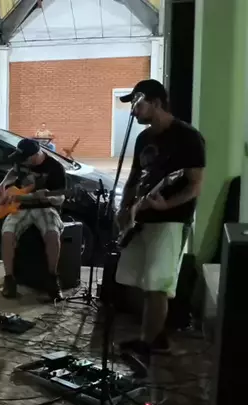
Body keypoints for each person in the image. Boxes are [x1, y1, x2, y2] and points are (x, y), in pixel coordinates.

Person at [114, 79, 205, 374]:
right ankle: (156, 336)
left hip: (171, 220)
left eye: (137, 104)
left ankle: (148, 344)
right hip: (141, 218)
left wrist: (168, 204)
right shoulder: (143, 138)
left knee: (157, 285)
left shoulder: (188, 137)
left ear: (155, 103)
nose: (133, 110)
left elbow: (194, 185)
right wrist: (124, 207)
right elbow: (134, 177)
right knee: (134, 281)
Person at [0, 138, 66, 300]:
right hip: (20, 206)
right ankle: (9, 279)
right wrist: (2, 185)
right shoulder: (21, 161)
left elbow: (60, 198)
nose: (21, 162)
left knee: (52, 234)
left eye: (24, 159)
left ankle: (52, 278)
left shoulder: (55, 167)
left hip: (44, 207)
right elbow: (13, 172)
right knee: (7, 234)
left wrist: (48, 198)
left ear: (34, 156)